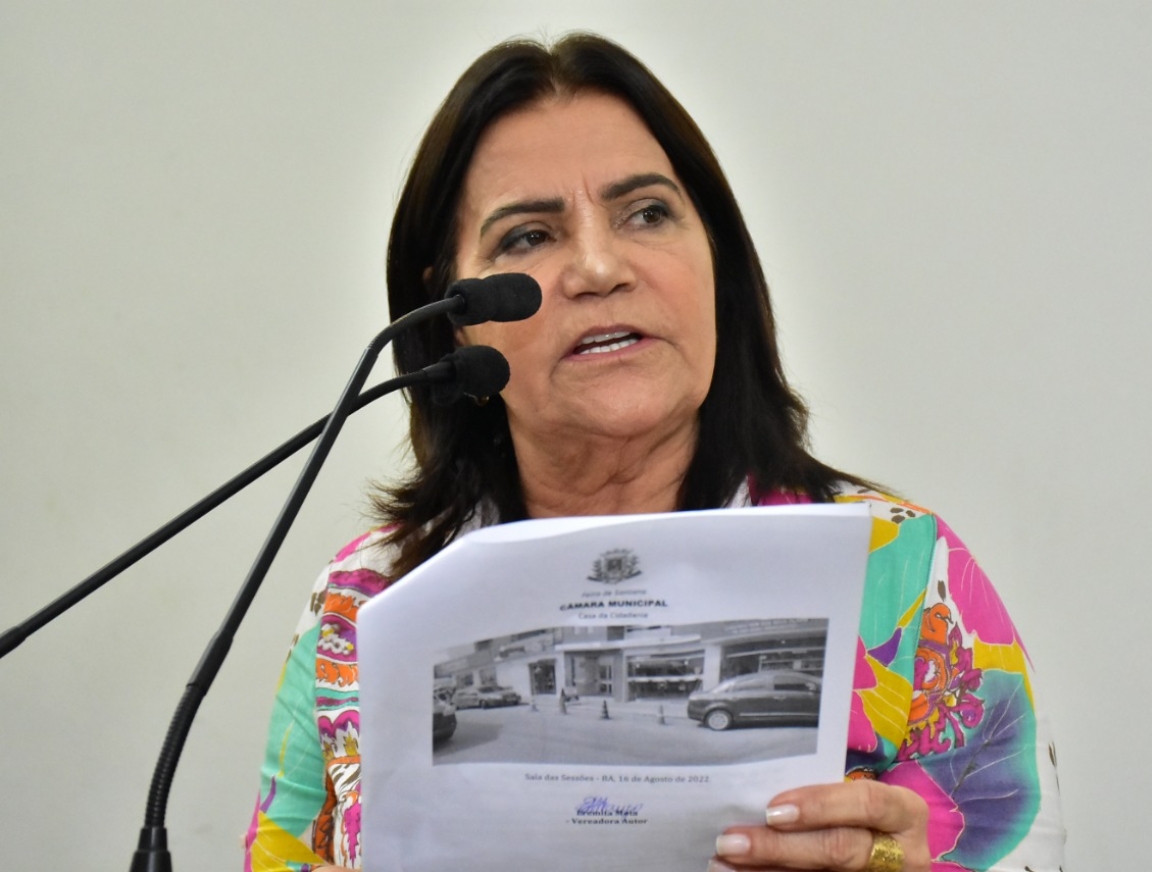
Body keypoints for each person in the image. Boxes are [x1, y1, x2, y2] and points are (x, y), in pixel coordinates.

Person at [244, 33, 1065, 872]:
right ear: (455, 322)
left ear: (717, 265)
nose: (600, 267)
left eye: (647, 214)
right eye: (527, 237)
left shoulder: (904, 572)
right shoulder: (365, 603)